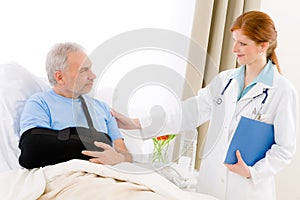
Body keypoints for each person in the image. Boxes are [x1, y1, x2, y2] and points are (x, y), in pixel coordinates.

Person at [111, 11, 298, 200]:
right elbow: (188, 113)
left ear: (263, 46)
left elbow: (285, 149)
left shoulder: (281, 91)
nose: (234, 49)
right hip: (211, 185)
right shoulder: (225, 81)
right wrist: (138, 123)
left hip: (249, 190)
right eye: (234, 41)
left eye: (242, 43)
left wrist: (252, 172)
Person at [19, 42, 132, 168]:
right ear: (60, 77)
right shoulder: (40, 104)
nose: (93, 76)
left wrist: (119, 158)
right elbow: (34, 149)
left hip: (108, 175)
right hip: (70, 177)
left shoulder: (102, 108)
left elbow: (126, 156)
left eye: (90, 68)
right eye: (84, 70)